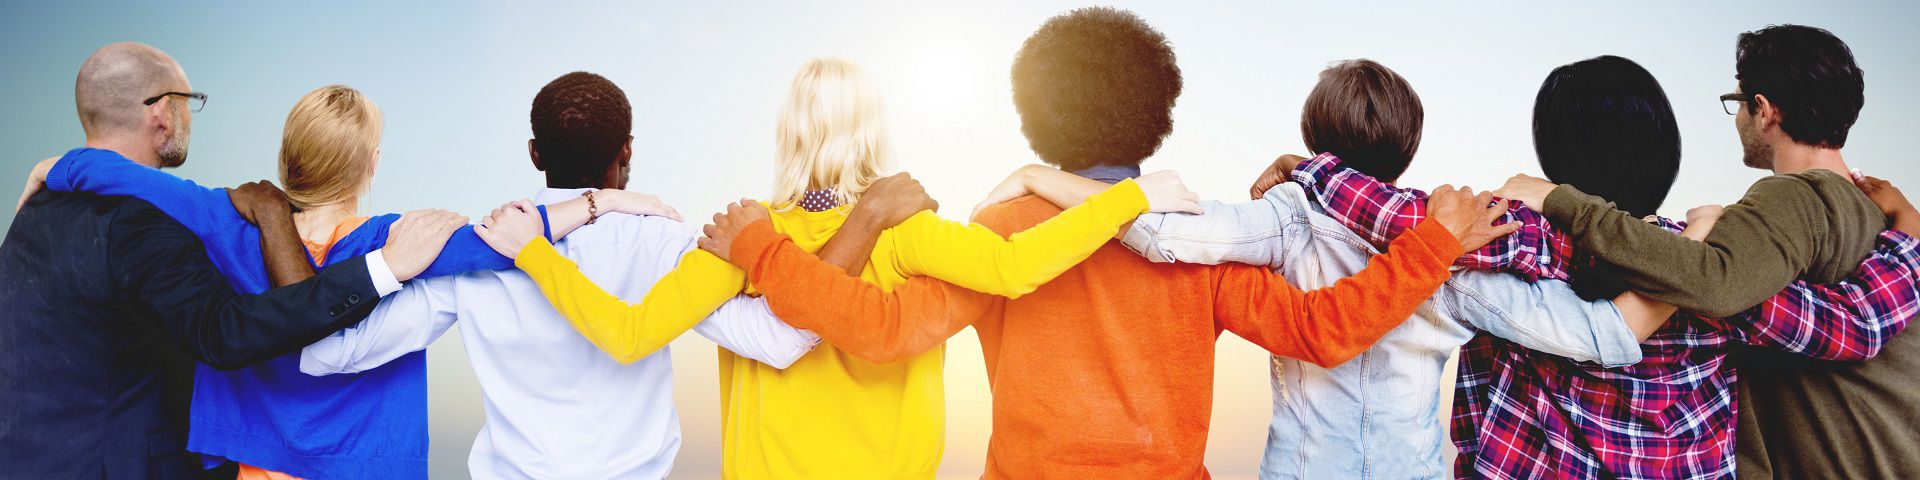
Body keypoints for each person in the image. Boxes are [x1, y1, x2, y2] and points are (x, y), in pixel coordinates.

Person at [649, 8, 1518, 478]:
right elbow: (1324, 330)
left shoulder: (999, 231)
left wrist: (764, 250)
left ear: (1035, 118)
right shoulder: (1198, 243)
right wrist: (1429, 245)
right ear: (1160, 115)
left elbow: (879, 331)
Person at [473, 55, 1206, 478]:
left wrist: (533, 251)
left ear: (786, 130)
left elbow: (627, 335)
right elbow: (1017, 266)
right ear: (874, 130)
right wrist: (1125, 198)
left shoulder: (743, 232)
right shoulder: (909, 230)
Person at [966, 58, 1671, 478]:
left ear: (1312, 133)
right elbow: (1602, 336)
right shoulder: (1450, 241)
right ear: (1407, 144)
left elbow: (1157, 230)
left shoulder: (1283, 219)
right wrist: (1688, 263)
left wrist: (1041, 178)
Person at [1278, 52, 1920, 477]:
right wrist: (1909, 238)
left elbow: (1402, 220)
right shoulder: (1714, 272)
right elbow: (1856, 326)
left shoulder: (1529, 239)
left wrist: (1309, 171)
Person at [21, 66, 669, 479]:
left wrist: (56, 167)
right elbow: (508, 242)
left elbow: (129, 177)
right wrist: (605, 200)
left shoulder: (227, 218)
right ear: (370, 164)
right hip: (361, 466)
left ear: (289, 157)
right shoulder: (399, 238)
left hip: (256, 466)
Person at [296, 71, 827, 479]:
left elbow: (329, 355)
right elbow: (779, 343)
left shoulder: (475, 252)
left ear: (534, 154)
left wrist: (373, 266)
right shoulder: (668, 242)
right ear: (627, 151)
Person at [0, 41, 467, 479]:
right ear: (163, 110)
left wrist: (57, 166)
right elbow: (227, 333)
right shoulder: (150, 223)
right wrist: (387, 265)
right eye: (189, 100)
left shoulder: (35, 217)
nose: (190, 114)